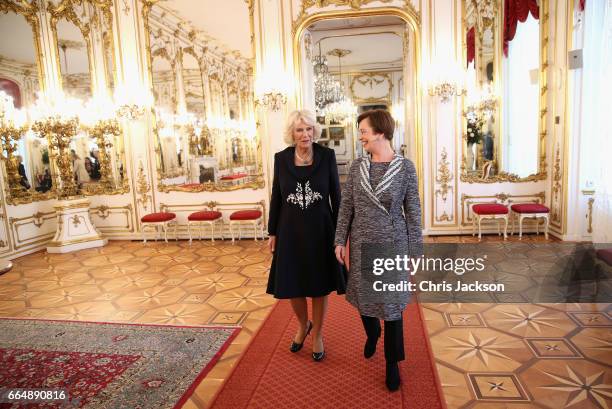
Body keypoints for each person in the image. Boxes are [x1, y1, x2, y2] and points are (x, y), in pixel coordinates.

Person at [334, 109, 422, 391]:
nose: (360, 137)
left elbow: (413, 209)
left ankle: (392, 362)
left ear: (380, 132)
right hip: (361, 241)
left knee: (393, 305)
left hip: (392, 242)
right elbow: (346, 207)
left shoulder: (405, 168)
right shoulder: (358, 166)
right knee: (363, 296)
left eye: (363, 131)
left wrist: (415, 249)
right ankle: (372, 332)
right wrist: (339, 240)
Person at [267, 109, 346, 362]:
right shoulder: (281, 158)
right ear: (292, 133)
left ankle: (318, 334)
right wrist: (272, 232)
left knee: (319, 285)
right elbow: (276, 197)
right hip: (289, 230)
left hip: (321, 230)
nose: (305, 134)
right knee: (293, 284)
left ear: (315, 131)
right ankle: (303, 324)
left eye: (309, 129)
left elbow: (337, 197)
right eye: (300, 130)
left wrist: (340, 236)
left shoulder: (327, 156)